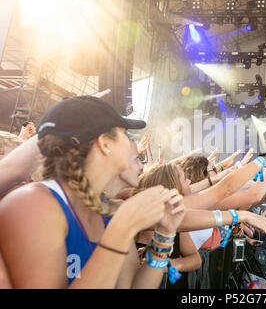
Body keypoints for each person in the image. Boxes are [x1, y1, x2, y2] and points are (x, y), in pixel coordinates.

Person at [0, 96, 186, 288]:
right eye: (125, 135)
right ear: (105, 143)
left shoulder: (106, 212)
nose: (132, 146)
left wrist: (164, 237)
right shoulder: (32, 204)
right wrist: (121, 230)